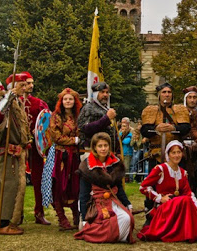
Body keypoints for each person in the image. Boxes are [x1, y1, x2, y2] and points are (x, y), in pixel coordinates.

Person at [0, 73, 31, 235]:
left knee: (16, 186)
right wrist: (9, 97)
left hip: (16, 153)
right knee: (9, 186)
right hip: (6, 152)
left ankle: (12, 220)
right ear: (12, 86)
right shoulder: (4, 101)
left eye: (25, 85)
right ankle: (3, 224)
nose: (24, 89)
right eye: (21, 85)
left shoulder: (17, 104)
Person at [138, 140, 197, 242]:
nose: (176, 155)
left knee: (187, 202)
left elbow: (188, 193)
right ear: (168, 154)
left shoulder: (183, 173)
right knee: (185, 201)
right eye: (173, 153)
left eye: (179, 152)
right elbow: (143, 187)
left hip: (178, 208)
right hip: (164, 208)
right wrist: (160, 198)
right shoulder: (160, 169)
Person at [74, 132, 135, 243]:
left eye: (105, 145)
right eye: (100, 146)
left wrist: (127, 203)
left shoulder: (115, 164)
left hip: (112, 201)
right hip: (96, 203)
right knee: (108, 221)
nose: (103, 149)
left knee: (128, 218)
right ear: (95, 148)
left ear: (109, 146)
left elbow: (119, 188)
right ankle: (104, 234)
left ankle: (112, 235)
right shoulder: (86, 166)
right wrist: (83, 218)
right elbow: (83, 194)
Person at [140, 83, 191, 212]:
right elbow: (145, 130)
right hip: (156, 153)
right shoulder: (150, 110)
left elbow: (186, 128)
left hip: (175, 155)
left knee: (176, 184)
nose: (167, 94)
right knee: (152, 183)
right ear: (159, 94)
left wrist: (174, 128)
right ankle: (151, 210)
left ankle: (178, 208)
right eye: (164, 92)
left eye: (169, 92)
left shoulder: (180, 109)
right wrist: (155, 128)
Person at [77, 81, 118, 223]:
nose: (105, 95)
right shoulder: (89, 107)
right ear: (95, 94)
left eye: (107, 92)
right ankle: (86, 217)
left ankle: (103, 216)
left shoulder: (103, 108)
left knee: (103, 187)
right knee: (89, 188)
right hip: (90, 153)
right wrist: (107, 118)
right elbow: (85, 128)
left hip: (104, 153)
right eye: (102, 92)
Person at [21, 72, 51, 226]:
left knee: (38, 179)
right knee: (16, 181)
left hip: (36, 146)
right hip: (18, 146)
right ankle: (15, 213)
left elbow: (47, 123)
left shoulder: (39, 103)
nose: (31, 86)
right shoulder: (13, 102)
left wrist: (39, 132)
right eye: (27, 82)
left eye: (32, 82)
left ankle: (39, 212)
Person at [49, 88, 82, 230]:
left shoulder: (78, 116)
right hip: (61, 156)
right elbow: (56, 137)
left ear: (75, 101)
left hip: (75, 156)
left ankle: (76, 214)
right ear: (61, 101)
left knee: (75, 186)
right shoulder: (56, 116)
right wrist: (74, 140)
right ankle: (61, 218)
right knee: (59, 186)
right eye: (65, 99)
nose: (68, 101)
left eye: (70, 99)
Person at [182, 85, 197, 190]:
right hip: (182, 148)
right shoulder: (180, 112)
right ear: (186, 99)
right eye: (189, 97)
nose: (192, 100)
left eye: (194, 97)